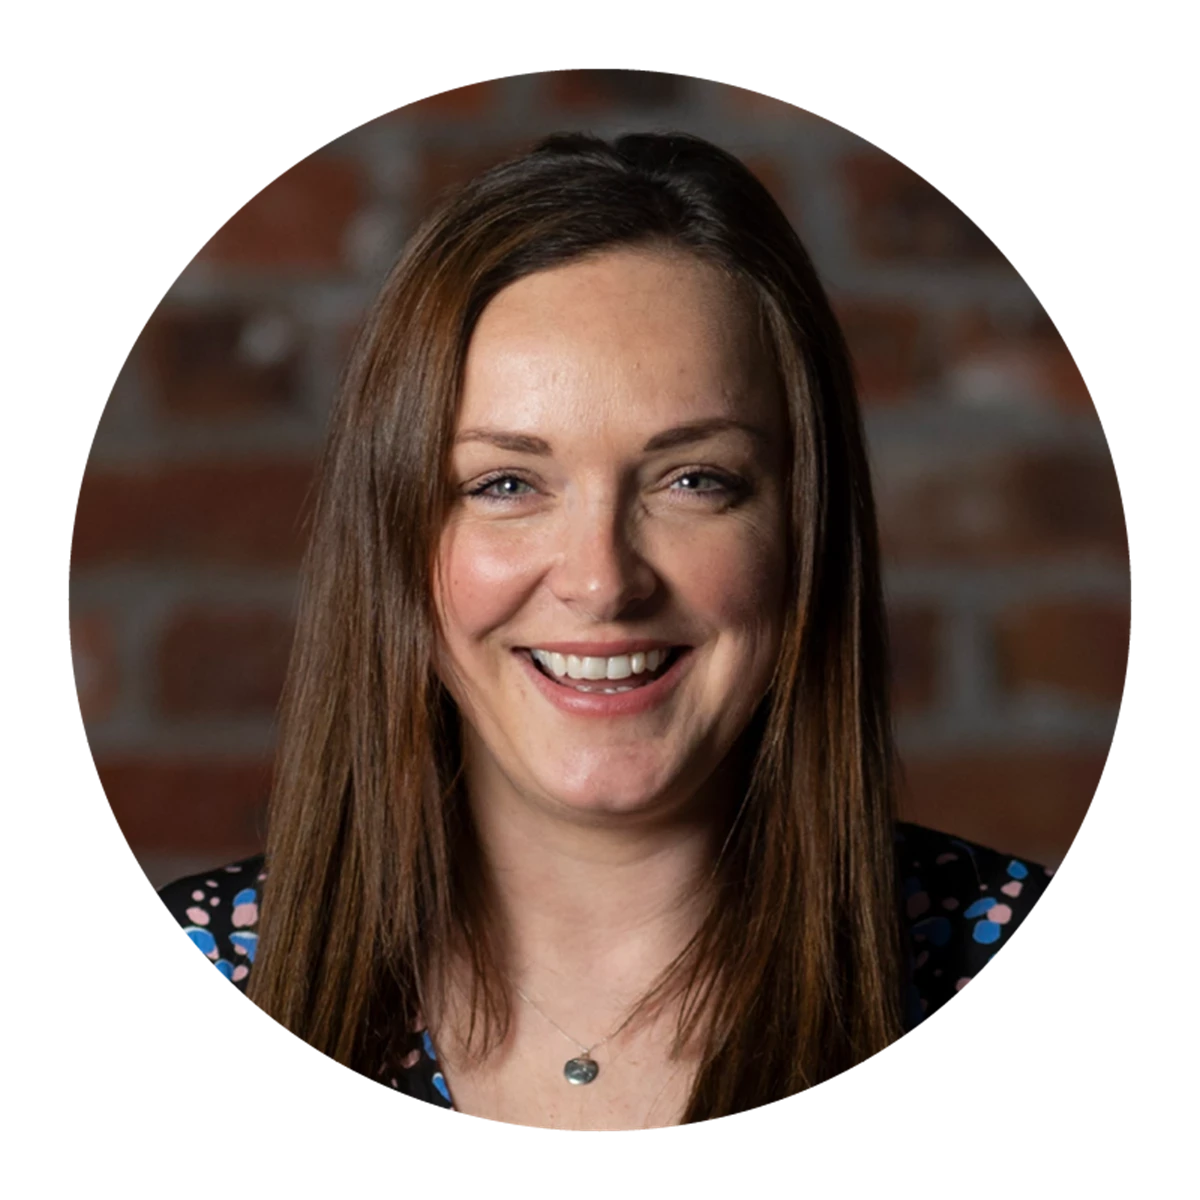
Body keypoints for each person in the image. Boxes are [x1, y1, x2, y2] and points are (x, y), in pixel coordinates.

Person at [153, 130, 1057, 1131]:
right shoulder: (213, 962)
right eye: (506, 484)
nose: (601, 581)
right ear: (396, 536)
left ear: (802, 525)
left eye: (694, 480)